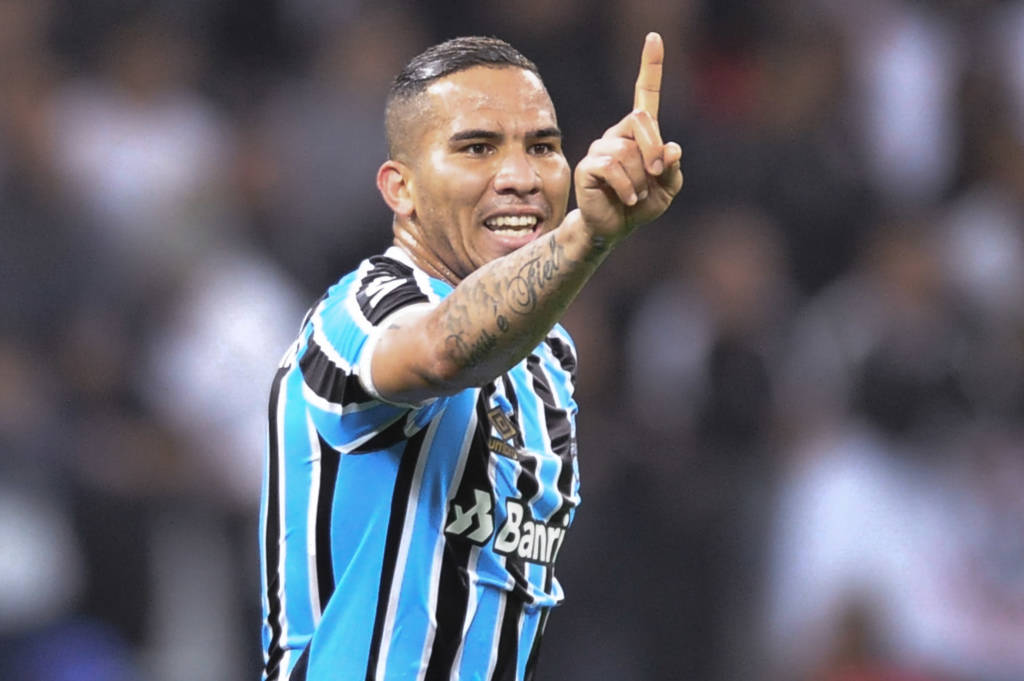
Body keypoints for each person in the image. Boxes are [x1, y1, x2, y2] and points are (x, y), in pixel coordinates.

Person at [259, 33, 683, 681]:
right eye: (477, 148)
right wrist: (588, 234)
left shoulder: (549, 356)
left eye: (542, 147)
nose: (520, 177)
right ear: (400, 188)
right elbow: (438, 352)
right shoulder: (362, 310)